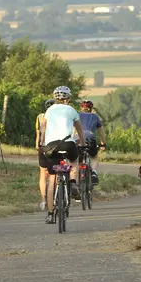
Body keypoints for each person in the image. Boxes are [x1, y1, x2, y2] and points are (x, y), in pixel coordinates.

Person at [40, 86, 85, 224]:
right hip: (68, 144)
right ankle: (72, 182)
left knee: (52, 180)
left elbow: (43, 128)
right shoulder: (71, 110)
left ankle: (49, 214)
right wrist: (82, 144)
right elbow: (79, 130)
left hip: (51, 146)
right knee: (74, 161)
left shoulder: (48, 110)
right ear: (68, 99)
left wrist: (42, 143)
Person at [74, 100, 107, 184]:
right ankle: (94, 173)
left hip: (78, 139)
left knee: (76, 159)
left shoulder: (77, 115)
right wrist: (103, 143)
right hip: (91, 139)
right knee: (94, 157)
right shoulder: (95, 117)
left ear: (81, 108)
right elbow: (101, 131)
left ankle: (75, 180)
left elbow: (73, 130)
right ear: (91, 108)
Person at [35, 99, 55, 210]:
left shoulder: (40, 117)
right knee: (54, 174)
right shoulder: (58, 116)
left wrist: (38, 145)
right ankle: (54, 198)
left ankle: (43, 200)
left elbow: (38, 133)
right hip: (55, 146)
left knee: (42, 174)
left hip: (43, 147)